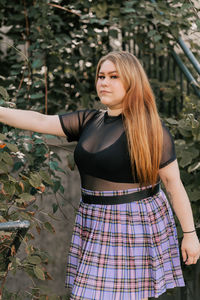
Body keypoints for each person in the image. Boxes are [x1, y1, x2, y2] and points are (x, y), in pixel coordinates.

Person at [0, 51, 200, 300]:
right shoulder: (89, 120)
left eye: (113, 76)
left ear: (131, 81)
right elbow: (39, 120)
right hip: (93, 221)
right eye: (101, 76)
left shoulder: (150, 128)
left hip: (132, 224)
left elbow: (173, 183)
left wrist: (190, 235)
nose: (104, 82)